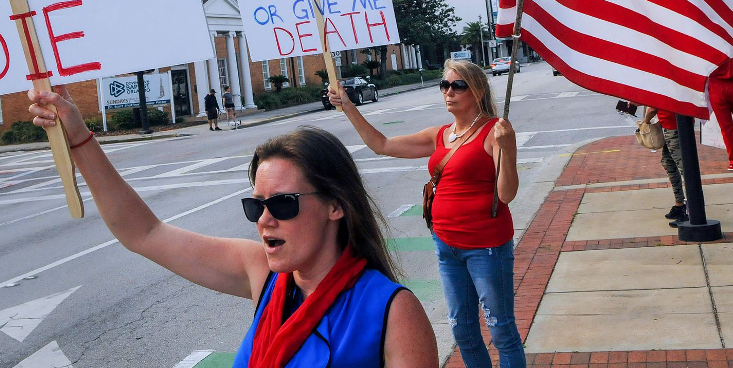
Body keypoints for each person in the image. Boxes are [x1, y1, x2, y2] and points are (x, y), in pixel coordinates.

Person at [27, 88, 437, 367]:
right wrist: (79, 137)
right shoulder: (263, 275)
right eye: (255, 205)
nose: (264, 219)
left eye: (282, 203)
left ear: (335, 205)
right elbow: (144, 234)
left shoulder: (393, 312)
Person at [329, 58, 527, 368]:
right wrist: (349, 106)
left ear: (476, 90)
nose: (449, 91)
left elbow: (506, 194)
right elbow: (381, 144)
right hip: (446, 245)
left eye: (457, 85)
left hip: (485, 248)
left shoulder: (493, 132)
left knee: (501, 328)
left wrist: (509, 148)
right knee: (462, 329)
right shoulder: (440, 134)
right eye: (444, 85)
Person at [642, 107, 687, 226]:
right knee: (668, 162)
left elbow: (653, 108)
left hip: (673, 126)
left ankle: (690, 210)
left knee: (684, 167)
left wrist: (645, 123)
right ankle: (680, 204)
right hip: (671, 124)